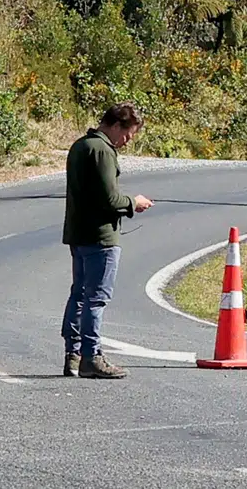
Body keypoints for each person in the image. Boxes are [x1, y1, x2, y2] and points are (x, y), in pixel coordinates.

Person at [61, 103, 154, 378]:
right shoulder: (102, 150)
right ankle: (91, 356)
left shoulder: (80, 146)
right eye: (127, 134)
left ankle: (73, 354)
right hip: (100, 236)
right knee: (96, 298)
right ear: (115, 125)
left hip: (79, 233)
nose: (127, 140)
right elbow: (110, 199)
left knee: (79, 294)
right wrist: (133, 203)